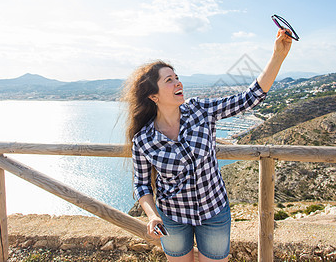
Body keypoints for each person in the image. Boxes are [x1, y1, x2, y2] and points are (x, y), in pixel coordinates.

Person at [121, 28, 292, 262]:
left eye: (177, 77)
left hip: (214, 212)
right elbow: (141, 185)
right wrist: (152, 216)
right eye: (169, 80)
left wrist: (278, 56)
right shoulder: (144, 140)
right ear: (154, 96)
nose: (178, 83)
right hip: (173, 217)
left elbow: (249, 98)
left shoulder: (201, 110)